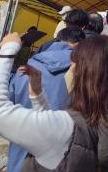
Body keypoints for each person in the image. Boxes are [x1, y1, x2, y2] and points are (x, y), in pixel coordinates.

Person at [0, 33, 108, 171]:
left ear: (82, 75)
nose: (69, 70)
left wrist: (8, 51)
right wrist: (39, 97)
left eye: (72, 65)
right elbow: (59, 145)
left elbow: (0, 111)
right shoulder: (106, 122)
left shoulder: (64, 128)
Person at [7, 26, 85, 172]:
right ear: (79, 45)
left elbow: (8, 99)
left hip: (20, 150)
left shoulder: (28, 65)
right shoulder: (83, 73)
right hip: (56, 157)